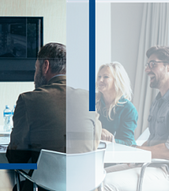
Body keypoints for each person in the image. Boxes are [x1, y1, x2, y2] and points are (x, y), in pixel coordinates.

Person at [6, 43, 101, 191]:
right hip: (85, 187)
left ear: (45, 66)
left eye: (35, 68)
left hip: (43, 188)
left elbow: (16, 158)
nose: (35, 73)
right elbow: (93, 144)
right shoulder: (88, 98)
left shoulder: (28, 99)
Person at [104, 46, 169, 191]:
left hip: (165, 170)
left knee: (104, 184)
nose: (146, 70)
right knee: (93, 178)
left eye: (153, 64)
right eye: (147, 65)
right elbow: (154, 141)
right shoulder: (158, 102)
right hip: (150, 164)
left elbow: (167, 151)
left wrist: (135, 151)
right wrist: (136, 153)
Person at [96, 62, 138, 146]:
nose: (100, 80)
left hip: (116, 155)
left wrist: (110, 139)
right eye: (99, 77)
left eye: (105, 77)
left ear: (117, 80)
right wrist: (98, 131)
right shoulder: (91, 101)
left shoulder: (128, 109)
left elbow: (128, 143)